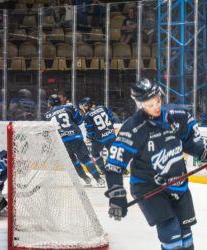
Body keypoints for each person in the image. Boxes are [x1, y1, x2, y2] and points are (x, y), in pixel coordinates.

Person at [104, 78, 207, 250]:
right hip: (150, 188)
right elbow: (114, 164)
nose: (156, 107)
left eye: (158, 101)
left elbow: (191, 142)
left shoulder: (178, 116)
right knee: (171, 234)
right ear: (140, 104)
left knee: (186, 234)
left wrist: (204, 153)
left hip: (178, 184)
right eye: (150, 104)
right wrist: (117, 194)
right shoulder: (133, 128)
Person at [44, 94, 105, 187]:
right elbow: (79, 121)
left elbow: (48, 131)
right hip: (75, 137)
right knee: (86, 160)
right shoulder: (68, 107)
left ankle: (85, 177)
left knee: (73, 161)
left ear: (50, 103)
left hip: (61, 141)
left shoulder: (47, 115)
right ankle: (98, 179)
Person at [79, 97, 116, 173]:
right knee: (113, 152)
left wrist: (91, 137)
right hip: (111, 135)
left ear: (86, 105)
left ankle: (103, 170)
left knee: (95, 153)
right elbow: (112, 119)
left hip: (99, 139)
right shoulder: (102, 107)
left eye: (83, 106)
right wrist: (108, 129)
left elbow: (90, 130)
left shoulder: (87, 116)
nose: (82, 108)